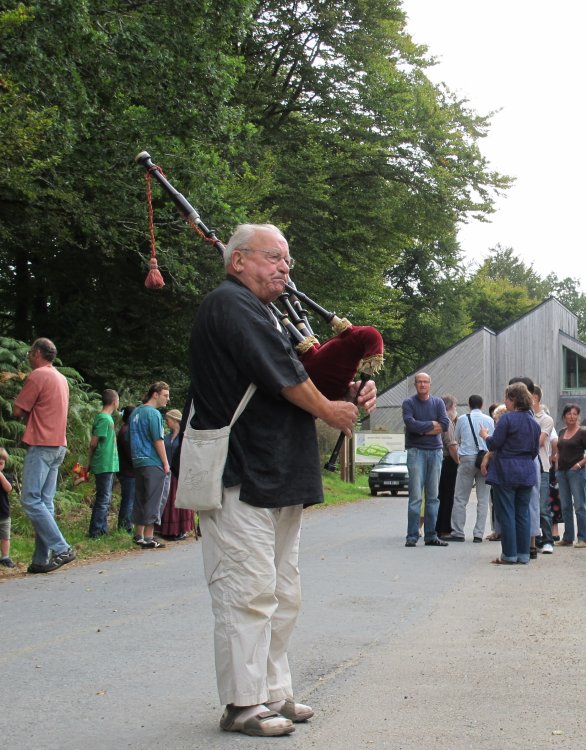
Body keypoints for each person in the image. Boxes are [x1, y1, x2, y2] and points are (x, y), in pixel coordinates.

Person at [187, 223, 376, 737]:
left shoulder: (265, 313)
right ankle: (242, 703)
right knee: (246, 589)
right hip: (240, 472)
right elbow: (285, 378)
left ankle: (272, 691)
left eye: (287, 259)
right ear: (238, 261)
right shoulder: (230, 304)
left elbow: (304, 378)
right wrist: (331, 410)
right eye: (273, 257)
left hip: (276, 472)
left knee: (281, 590)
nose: (285, 267)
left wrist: (349, 392)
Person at [12, 338, 76, 574]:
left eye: (30, 353)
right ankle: (40, 559)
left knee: (30, 500)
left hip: (41, 443)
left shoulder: (38, 375)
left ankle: (61, 548)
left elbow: (17, 410)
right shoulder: (61, 378)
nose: (29, 357)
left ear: (37, 353)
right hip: (59, 445)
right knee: (45, 502)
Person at [481, 382, 541, 565]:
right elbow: (534, 451)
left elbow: (494, 444)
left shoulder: (507, 419)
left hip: (506, 470)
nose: (505, 402)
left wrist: (485, 435)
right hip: (526, 470)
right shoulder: (534, 423)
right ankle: (523, 554)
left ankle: (509, 555)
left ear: (513, 399)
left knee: (507, 513)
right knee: (523, 513)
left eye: (506, 398)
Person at [402, 372, 450, 548]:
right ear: (415, 385)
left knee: (433, 497)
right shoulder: (408, 403)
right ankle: (412, 536)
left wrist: (421, 429)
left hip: (435, 452)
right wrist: (432, 425)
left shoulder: (438, 403)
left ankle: (431, 535)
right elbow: (410, 425)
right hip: (416, 452)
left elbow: (444, 425)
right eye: (419, 382)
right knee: (415, 497)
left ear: (430, 384)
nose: (422, 384)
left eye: (425, 382)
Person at [129, 382, 171, 550]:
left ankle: (138, 535)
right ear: (155, 394)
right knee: (154, 499)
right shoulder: (153, 414)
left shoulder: (135, 412)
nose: (167, 399)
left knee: (140, 497)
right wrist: (165, 462)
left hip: (137, 460)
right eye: (165, 395)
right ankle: (149, 537)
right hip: (152, 461)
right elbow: (158, 440)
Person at [447, 394, 493, 542]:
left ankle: (458, 532)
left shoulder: (462, 419)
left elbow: (456, 438)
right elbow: (492, 441)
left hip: (467, 459)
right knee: (483, 499)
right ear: (482, 405)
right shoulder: (489, 420)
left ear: (469, 404)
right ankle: (478, 534)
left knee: (460, 498)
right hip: (485, 460)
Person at [553, 404, 586, 549]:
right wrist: (556, 466)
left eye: (575, 414)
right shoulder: (561, 432)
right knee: (565, 506)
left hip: (576, 472)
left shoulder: (583, 433)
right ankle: (568, 537)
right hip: (562, 472)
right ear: (564, 416)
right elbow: (559, 451)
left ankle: (582, 538)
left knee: (579, 506)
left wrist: (578, 465)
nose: (572, 417)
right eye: (569, 414)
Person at [86, 389, 120, 538]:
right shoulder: (104, 418)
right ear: (114, 402)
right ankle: (95, 532)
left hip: (109, 463)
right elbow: (93, 443)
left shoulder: (107, 418)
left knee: (106, 498)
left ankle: (102, 530)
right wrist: (89, 462)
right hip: (103, 463)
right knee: (103, 499)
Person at [155, 408, 194, 541]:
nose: (166, 422)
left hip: (180, 472)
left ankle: (181, 529)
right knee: (168, 500)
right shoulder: (166, 437)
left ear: (175, 420)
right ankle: (167, 529)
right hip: (167, 473)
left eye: (168, 420)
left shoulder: (184, 436)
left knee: (180, 500)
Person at [531, 385, 556, 554]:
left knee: (542, 506)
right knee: (530, 505)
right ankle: (535, 539)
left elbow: (539, 442)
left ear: (535, 397)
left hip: (542, 466)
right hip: (526, 464)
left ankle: (548, 540)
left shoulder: (545, 419)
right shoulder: (524, 416)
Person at [435, 395, 460, 541]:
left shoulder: (434, 419)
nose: (455, 410)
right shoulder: (447, 421)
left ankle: (436, 526)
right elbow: (451, 445)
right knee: (448, 496)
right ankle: (444, 528)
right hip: (448, 462)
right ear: (449, 408)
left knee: (437, 495)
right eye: (455, 407)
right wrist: (458, 461)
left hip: (437, 460)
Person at [116, 405, 136, 533]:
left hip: (126, 470)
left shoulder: (125, 429)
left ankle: (126, 524)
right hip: (128, 471)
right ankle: (125, 526)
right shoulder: (126, 431)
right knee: (128, 500)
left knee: (129, 499)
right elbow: (130, 453)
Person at [0, 448, 14, 568]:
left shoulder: (7, 476)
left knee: (5, 537)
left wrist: (0, 475)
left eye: (1, 463)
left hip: (4, 513)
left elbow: (8, 488)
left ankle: (5, 557)